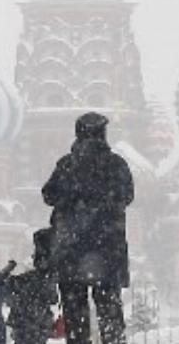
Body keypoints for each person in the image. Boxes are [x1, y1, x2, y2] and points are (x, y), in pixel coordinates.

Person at [42, 113, 134, 344]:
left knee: (75, 315)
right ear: (103, 133)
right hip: (107, 250)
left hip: (70, 251)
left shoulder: (67, 165)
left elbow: (48, 194)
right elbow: (127, 196)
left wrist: (74, 199)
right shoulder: (116, 165)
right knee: (110, 310)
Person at [7, 230, 59, 344]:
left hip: (23, 322)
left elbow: (9, 292)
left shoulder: (21, 276)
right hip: (38, 322)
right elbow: (53, 298)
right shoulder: (47, 276)